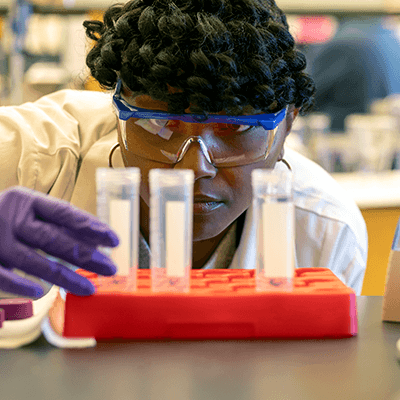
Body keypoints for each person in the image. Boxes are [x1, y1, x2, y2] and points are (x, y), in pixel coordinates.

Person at [0, 0, 367, 300]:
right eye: (160, 125)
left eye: (235, 127)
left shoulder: (325, 230)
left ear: (288, 123)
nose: (194, 167)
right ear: (117, 112)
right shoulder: (33, 157)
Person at [309, 16, 400, 131]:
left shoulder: (343, 44)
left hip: (342, 133)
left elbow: (305, 99)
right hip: (378, 132)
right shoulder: (389, 39)